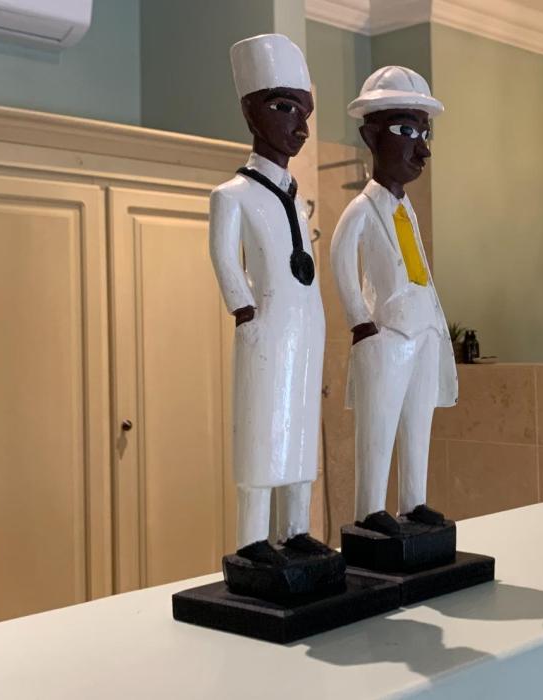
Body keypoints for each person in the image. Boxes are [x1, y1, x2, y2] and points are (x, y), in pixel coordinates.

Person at [209, 34, 328, 563]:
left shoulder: (297, 200)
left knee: (300, 423)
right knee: (260, 427)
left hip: (305, 322)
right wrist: (244, 308)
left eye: (305, 113)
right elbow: (223, 255)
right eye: (285, 108)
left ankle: (296, 528)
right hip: (266, 324)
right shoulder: (232, 195)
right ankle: (254, 538)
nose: (299, 126)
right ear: (250, 112)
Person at [330, 66, 458, 535]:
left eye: (425, 134)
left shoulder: (407, 210)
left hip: (423, 330)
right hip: (386, 333)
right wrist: (359, 320)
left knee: (418, 421)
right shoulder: (362, 208)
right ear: (371, 136)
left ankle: (413, 500)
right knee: (378, 424)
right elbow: (340, 257)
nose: (422, 149)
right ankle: (370, 508)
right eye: (407, 132)